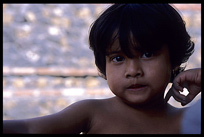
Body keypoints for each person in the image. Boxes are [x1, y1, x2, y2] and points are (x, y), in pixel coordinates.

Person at [3, 4, 200, 134]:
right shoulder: (92, 113)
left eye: (147, 54)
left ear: (173, 59)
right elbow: (29, 128)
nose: (132, 70)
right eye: (117, 58)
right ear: (103, 66)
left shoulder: (189, 121)